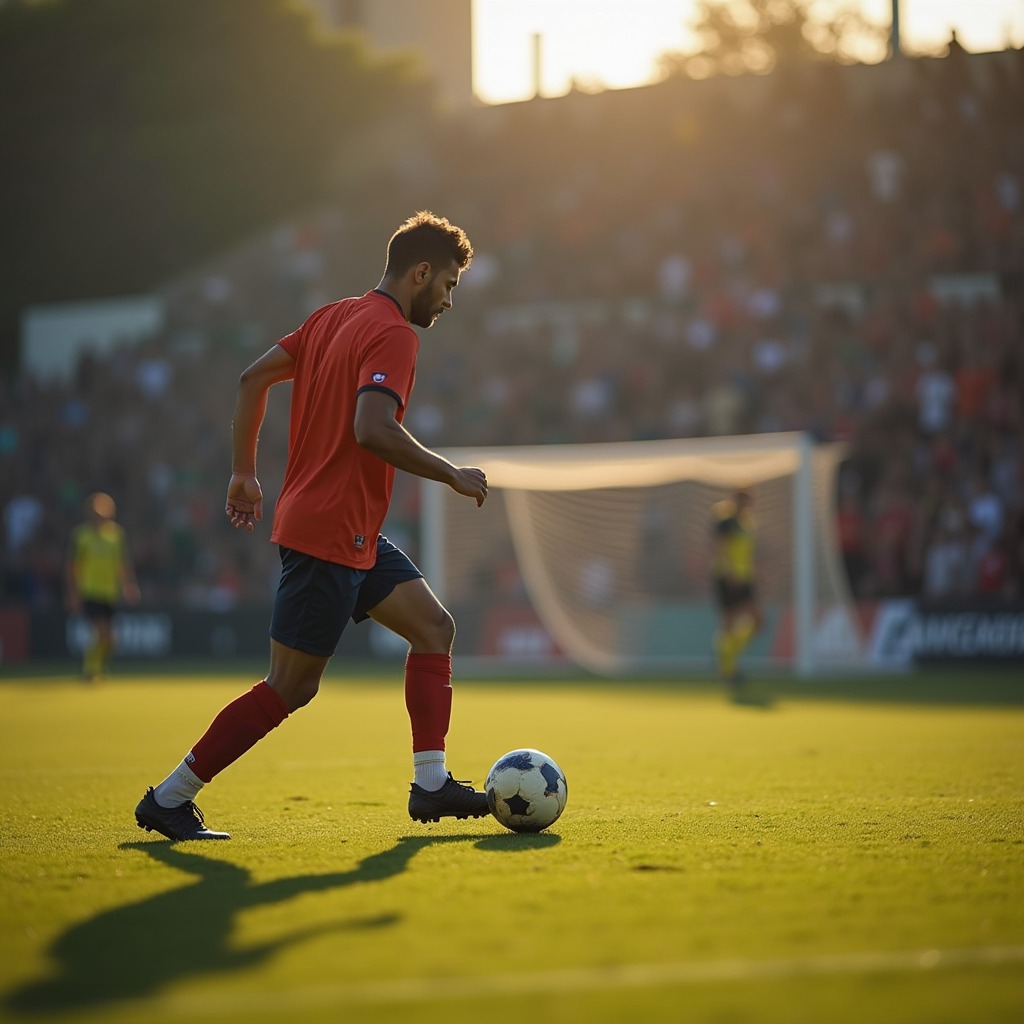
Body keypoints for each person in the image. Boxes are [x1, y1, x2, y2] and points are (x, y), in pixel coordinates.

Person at [135, 211, 490, 841]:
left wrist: (243, 472)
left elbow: (253, 378)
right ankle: (169, 796)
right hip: (330, 534)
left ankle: (431, 784)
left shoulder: (332, 316)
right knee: (290, 688)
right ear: (421, 272)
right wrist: (451, 474)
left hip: (346, 530)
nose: (448, 300)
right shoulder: (396, 335)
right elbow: (371, 429)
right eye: (450, 285)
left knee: (435, 628)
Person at [65, 492, 140, 680]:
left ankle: (97, 667)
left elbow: (122, 564)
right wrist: (73, 592)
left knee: (110, 639)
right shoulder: (82, 536)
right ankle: (90, 668)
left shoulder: (116, 535)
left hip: (110, 592)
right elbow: (73, 567)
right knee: (103, 632)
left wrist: (129, 586)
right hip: (90, 591)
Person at [710, 488, 761, 690]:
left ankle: (726, 656)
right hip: (728, 576)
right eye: (743, 499)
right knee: (729, 623)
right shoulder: (726, 521)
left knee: (756, 621)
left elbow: (747, 552)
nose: (746, 503)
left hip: (745, 577)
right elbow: (721, 547)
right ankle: (727, 670)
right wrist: (730, 572)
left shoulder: (746, 523)